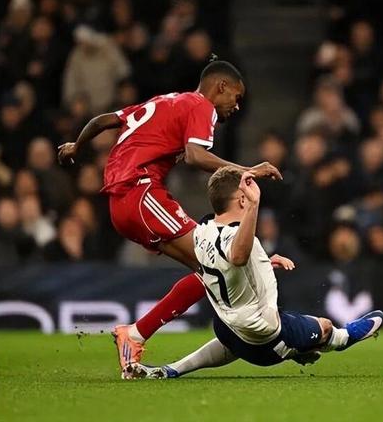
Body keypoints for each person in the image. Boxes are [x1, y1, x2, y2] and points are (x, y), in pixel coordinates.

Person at [57, 59, 282, 376]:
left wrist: (75, 146)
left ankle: (135, 335)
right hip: (141, 192)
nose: (237, 105)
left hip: (123, 204)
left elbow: (102, 120)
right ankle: (135, 334)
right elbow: (195, 155)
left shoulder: (164, 102)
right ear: (221, 87)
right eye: (236, 96)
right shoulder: (201, 106)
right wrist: (247, 171)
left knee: (209, 271)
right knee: (216, 265)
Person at [125, 167, 383, 379]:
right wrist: (254, 205)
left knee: (235, 336)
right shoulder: (235, 236)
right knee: (325, 327)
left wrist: (263, 262)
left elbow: (227, 263)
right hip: (265, 341)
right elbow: (237, 256)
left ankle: (172, 369)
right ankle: (340, 338)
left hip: (226, 329)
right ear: (241, 199)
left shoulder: (202, 230)